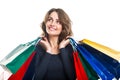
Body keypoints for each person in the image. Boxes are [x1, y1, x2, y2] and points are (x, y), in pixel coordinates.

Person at [23, 8, 76, 80]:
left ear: (63, 27)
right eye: (50, 20)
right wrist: (48, 51)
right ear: (45, 23)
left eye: (58, 22)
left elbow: (72, 77)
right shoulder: (37, 48)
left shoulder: (70, 48)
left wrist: (62, 48)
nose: (52, 24)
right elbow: (37, 78)